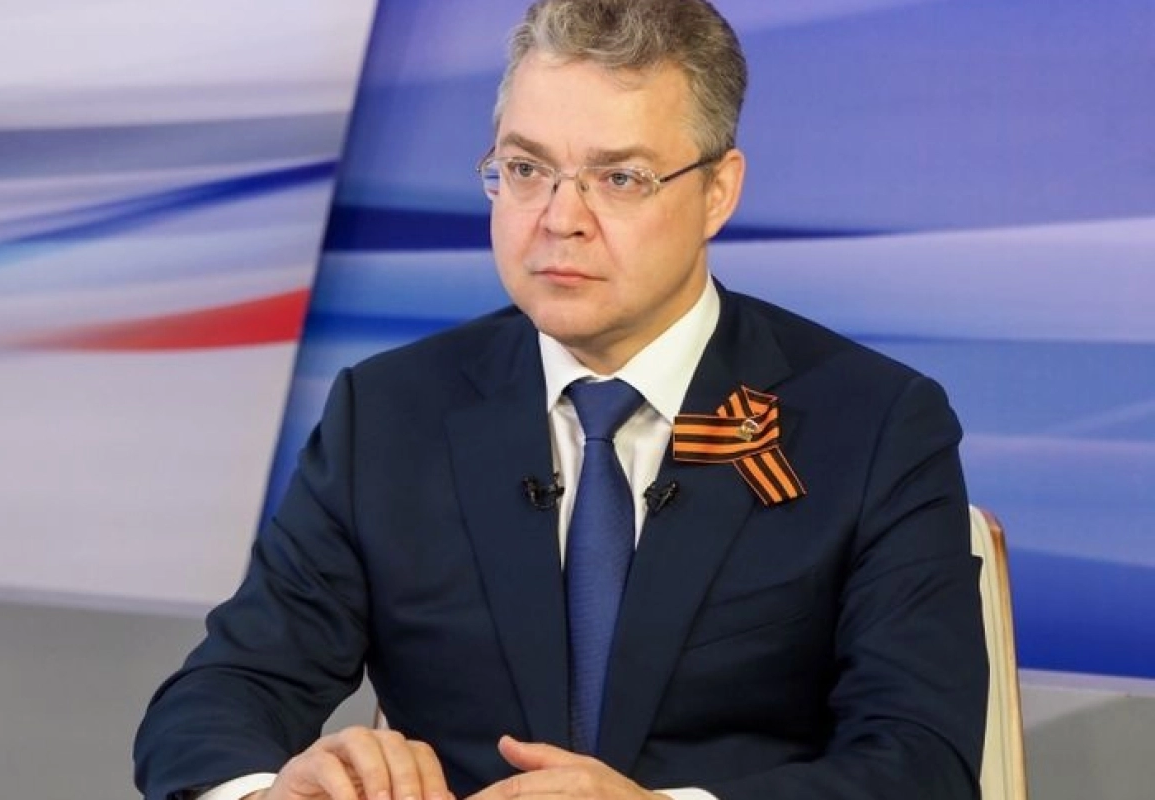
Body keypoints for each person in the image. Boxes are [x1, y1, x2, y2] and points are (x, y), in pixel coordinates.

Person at [133, 1, 988, 798]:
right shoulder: (389, 414)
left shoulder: (874, 425)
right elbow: (222, 694)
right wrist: (274, 793)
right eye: (526, 169)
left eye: (619, 179)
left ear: (717, 192)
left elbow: (920, 760)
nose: (558, 217)